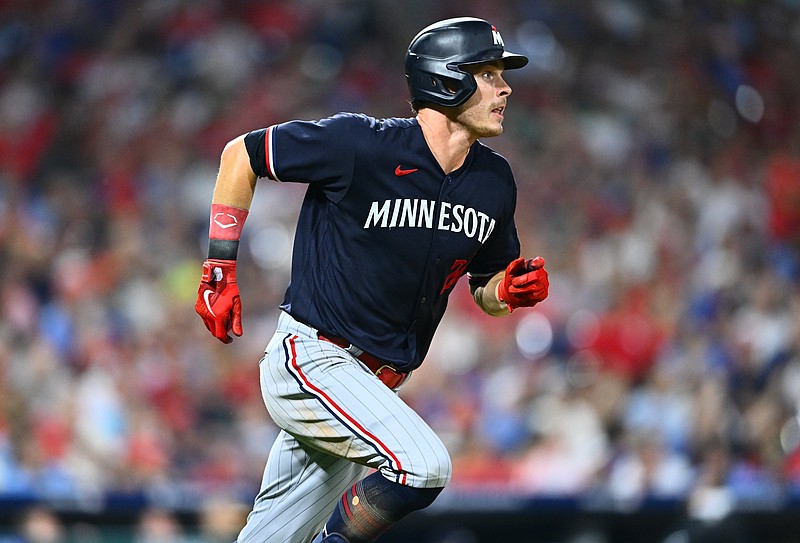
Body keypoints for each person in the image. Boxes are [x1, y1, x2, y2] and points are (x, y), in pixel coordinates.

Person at [195, 17, 549, 543]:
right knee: (424, 465)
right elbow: (240, 156)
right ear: (447, 79)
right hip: (311, 359)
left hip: (369, 387)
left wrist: (504, 292)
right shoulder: (362, 145)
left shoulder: (493, 181)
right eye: (490, 73)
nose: (505, 87)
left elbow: (484, 285)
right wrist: (219, 266)